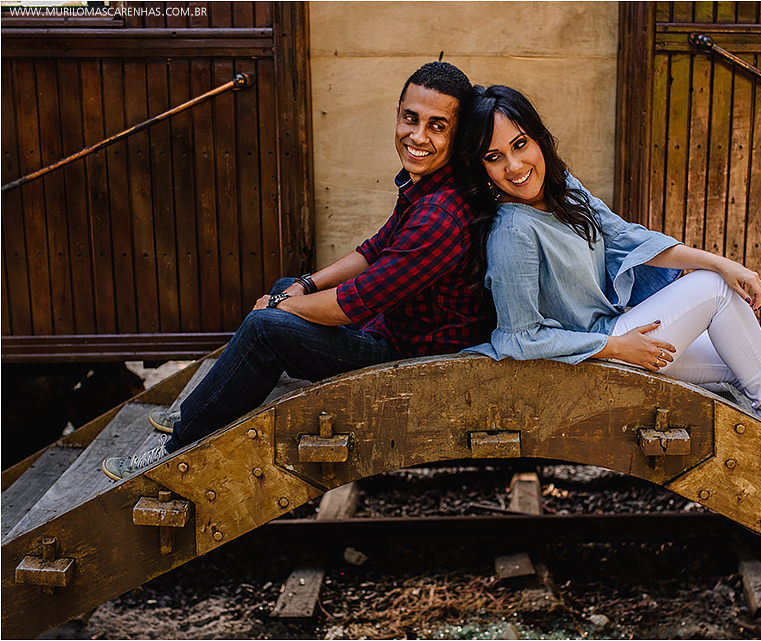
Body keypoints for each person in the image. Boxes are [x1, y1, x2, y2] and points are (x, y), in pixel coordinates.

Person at [459, 84, 761, 464]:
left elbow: (632, 240)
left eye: (520, 145)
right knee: (712, 292)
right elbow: (518, 338)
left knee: (746, 359)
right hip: (589, 355)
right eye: (494, 157)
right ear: (482, 168)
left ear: (539, 138)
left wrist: (722, 262)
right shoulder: (513, 229)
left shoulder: (567, 193)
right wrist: (615, 345)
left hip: (618, 337)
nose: (515, 165)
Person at [102, 62, 495, 480]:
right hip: (393, 329)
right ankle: (213, 403)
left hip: (412, 361)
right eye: (410, 118)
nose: (418, 136)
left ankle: (180, 443)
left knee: (266, 326)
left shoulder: (440, 216)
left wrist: (280, 309)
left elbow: (351, 306)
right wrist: (302, 287)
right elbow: (373, 249)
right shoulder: (430, 182)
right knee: (286, 287)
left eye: (437, 126)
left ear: (459, 133)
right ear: (398, 113)